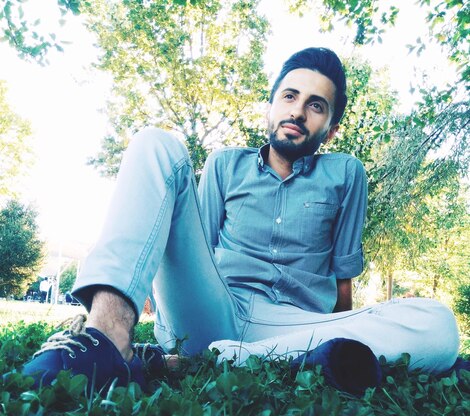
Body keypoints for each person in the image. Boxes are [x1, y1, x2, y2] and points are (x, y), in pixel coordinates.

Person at [22, 47, 459, 390]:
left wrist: (348, 328)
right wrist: (166, 306)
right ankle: (108, 336)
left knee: (437, 324)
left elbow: (343, 273)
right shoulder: (224, 165)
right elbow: (195, 252)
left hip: (295, 324)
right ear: (270, 107)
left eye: (315, 105)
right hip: (216, 310)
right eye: (289, 97)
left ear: (332, 127)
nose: (297, 111)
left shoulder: (346, 174)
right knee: (155, 143)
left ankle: (226, 359)